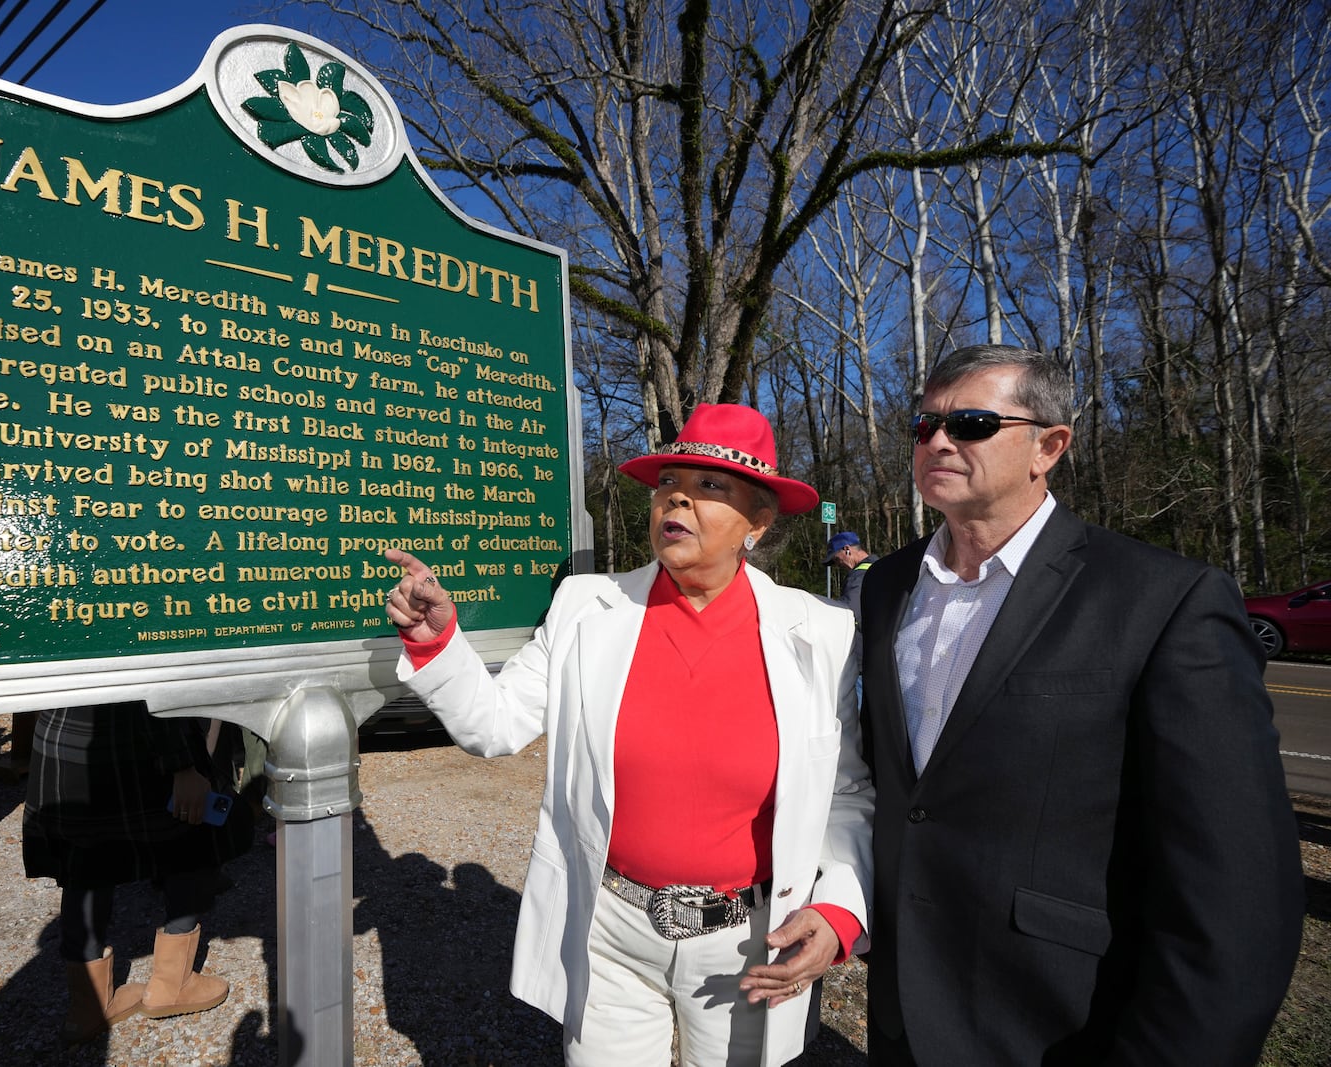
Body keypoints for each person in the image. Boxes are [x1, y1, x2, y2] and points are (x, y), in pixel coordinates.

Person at [384, 404, 873, 1067]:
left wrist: (842, 910)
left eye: (710, 486)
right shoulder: (587, 607)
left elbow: (844, 797)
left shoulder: (820, 632)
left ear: (758, 522)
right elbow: (494, 725)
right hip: (609, 929)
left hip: (750, 941)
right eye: (669, 480)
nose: (677, 495)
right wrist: (437, 642)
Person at [859, 344, 1303, 1065]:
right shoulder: (887, 587)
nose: (938, 440)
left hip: (1061, 1022)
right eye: (923, 424)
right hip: (904, 1015)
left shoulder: (1163, 599)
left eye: (971, 422)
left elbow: (1238, 895)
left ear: (1049, 446)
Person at [22, 702, 253, 1043]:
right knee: (194, 841)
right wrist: (183, 765)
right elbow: (151, 684)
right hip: (138, 737)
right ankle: (172, 985)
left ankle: (88, 1009)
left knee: (85, 861)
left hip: (62, 728)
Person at [823, 531, 876, 622]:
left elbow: (848, 612)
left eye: (837, 559)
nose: (837, 564)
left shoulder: (858, 576)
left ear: (847, 549)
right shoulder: (878, 565)